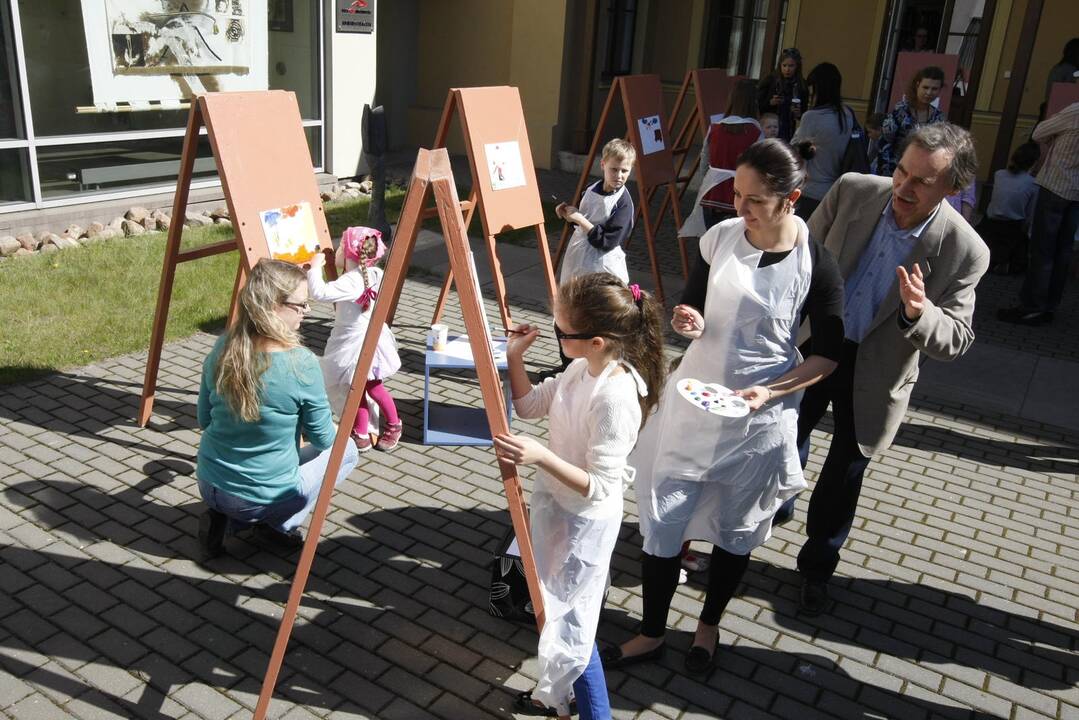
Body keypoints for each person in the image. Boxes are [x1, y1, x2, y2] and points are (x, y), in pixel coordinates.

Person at [603, 139, 845, 674]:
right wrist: (687, 318)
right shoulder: (721, 238)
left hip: (758, 419)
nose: (740, 208)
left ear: (792, 199)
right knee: (663, 525)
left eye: (755, 200)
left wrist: (774, 391)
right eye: (736, 194)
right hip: (694, 401)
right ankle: (650, 632)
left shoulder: (817, 264)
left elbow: (828, 353)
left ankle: (708, 626)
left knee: (736, 531)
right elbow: (692, 301)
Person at [776, 123, 989, 614]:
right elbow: (796, 254)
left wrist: (918, 313)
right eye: (900, 171)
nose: (903, 187)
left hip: (876, 371)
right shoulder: (853, 190)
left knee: (842, 476)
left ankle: (815, 568)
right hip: (816, 343)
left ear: (951, 190)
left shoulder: (966, 250)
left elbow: (956, 338)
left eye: (921, 182)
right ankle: (773, 504)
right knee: (782, 434)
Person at [494, 273, 665, 719]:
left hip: (585, 520)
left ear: (597, 341)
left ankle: (596, 713)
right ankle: (559, 700)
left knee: (572, 627)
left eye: (561, 331)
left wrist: (541, 456)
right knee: (559, 616)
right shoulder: (577, 370)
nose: (555, 333)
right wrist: (515, 356)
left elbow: (603, 485)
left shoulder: (615, 396)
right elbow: (530, 405)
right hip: (557, 507)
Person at [196, 259, 360, 561]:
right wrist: (336, 429)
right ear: (273, 305)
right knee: (347, 449)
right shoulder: (301, 364)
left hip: (208, 482)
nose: (306, 313)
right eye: (300, 305)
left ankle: (226, 520)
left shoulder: (222, 346)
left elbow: (204, 419)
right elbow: (324, 440)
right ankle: (278, 525)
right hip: (256, 496)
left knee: (274, 461)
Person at [307, 226, 403, 451]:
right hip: (365, 336)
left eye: (340, 246)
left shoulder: (352, 280)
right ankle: (360, 430)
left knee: (370, 386)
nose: (336, 251)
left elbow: (319, 293)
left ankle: (394, 424)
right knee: (358, 386)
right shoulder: (374, 273)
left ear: (349, 253)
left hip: (355, 342)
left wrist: (313, 268)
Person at [998, 102, 1079, 326]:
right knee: (1063, 251)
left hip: (1056, 187)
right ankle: (1049, 305)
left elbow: (1039, 132)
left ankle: (1032, 307)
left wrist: (1055, 138)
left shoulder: (1074, 111)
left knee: (1043, 249)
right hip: (1076, 193)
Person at [681, 78, 763, 234]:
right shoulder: (756, 132)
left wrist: (710, 179)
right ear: (754, 102)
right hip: (740, 197)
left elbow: (704, 160)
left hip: (711, 194)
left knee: (708, 245)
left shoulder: (715, 129)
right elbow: (759, 168)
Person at [557, 139, 636, 286]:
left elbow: (607, 241)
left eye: (624, 171)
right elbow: (578, 224)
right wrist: (568, 215)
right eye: (614, 169)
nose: (619, 175)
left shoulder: (623, 203)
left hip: (603, 266)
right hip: (577, 258)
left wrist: (580, 219)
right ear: (603, 165)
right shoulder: (590, 189)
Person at [791, 62, 857, 220]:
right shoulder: (848, 115)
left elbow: (796, 150)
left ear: (818, 88)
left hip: (809, 192)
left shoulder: (812, 117)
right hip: (834, 193)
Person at [977, 141, 1040, 274]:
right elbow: (1030, 214)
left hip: (990, 222)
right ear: (1033, 163)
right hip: (1012, 226)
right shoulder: (1032, 184)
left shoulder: (999, 174)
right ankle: (1006, 262)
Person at [873, 66, 946, 176]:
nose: (929, 92)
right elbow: (885, 143)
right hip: (895, 171)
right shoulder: (901, 111)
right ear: (917, 85)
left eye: (934, 89)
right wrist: (886, 173)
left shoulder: (939, 117)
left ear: (939, 90)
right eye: (925, 87)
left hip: (921, 175)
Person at [758, 48, 808, 142]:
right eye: (784, 65)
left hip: (788, 127)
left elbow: (804, 113)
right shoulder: (770, 80)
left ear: (797, 66)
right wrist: (770, 103)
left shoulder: (801, 85)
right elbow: (757, 105)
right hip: (769, 127)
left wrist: (798, 113)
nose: (787, 69)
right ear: (780, 65)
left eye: (791, 66)